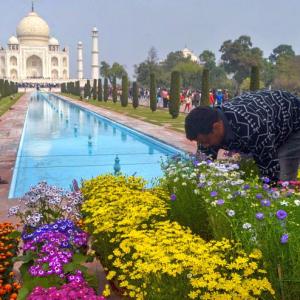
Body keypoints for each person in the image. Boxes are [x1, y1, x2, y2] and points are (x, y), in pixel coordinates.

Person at [185, 90, 300, 182]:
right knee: (242, 167)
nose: (205, 145)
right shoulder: (207, 126)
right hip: (268, 120)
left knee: (283, 176)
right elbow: (202, 166)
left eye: (205, 141)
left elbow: (270, 171)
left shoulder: (253, 128)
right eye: (200, 142)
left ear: (216, 127)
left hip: (293, 119)